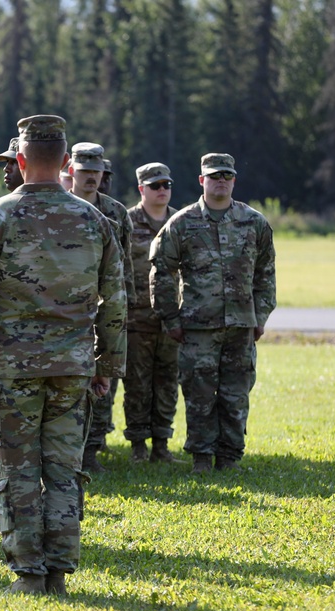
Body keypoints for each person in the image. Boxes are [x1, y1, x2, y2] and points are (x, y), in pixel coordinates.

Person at [0, 115, 126, 596]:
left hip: (13, 368)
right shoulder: (95, 219)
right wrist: (108, 367)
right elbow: (115, 301)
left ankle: (30, 574)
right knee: (64, 471)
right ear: (67, 163)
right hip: (73, 368)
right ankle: (57, 573)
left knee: (18, 472)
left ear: (22, 159)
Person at [150, 153, 276, 473]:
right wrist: (170, 318)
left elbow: (266, 273)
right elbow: (162, 271)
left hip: (240, 326)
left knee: (235, 395)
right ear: (201, 180)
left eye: (226, 175)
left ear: (234, 180)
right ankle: (202, 459)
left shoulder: (254, 222)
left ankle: (230, 457)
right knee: (199, 394)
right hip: (197, 327)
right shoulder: (182, 223)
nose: (221, 180)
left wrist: (259, 316)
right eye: (214, 175)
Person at [68, 141, 134, 472]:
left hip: (106, 311)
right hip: (71, 312)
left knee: (102, 380)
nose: (91, 177)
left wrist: (127, 308)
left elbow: (126, 266)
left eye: (96, 171)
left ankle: (92, 452)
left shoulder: (116, 212)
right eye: (85, 171)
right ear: (72, 171)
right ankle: (67, 453)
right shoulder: (60, 207)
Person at [123, 163, 182, 464]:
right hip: (136, 320)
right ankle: (137, 447)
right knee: (137, 385)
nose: (162, 190)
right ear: (141, 189)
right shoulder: (127, 222)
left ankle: (161, 445)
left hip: (171, 322)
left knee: (168, 384)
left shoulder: (180, 222)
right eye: (155, 185)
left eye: (166, 185)